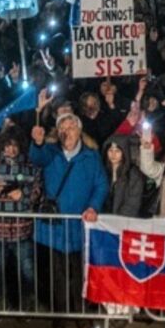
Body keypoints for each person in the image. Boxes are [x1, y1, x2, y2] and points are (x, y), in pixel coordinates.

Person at [29, 113, 108, 316]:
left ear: (79, 131)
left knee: (80, 271)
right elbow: (37, 157)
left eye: (71, 127)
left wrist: (93, 207)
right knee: (57, 273)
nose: (67, 132)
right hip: (55, 227)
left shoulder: (91, 157)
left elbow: (101, 185)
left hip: (80, 225)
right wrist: (38, 142)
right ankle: (61, 314)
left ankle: (81, 312)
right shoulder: (51, 152)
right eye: (62, 128)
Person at [0, 125, 42, 312]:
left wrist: (25, 194)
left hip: (23, 227)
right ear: (2, 145)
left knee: (27, 270)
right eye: (7, 145)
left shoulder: (29, 163)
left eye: (15, 145)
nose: (11, 149)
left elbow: (38, 188)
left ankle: (28, 304)